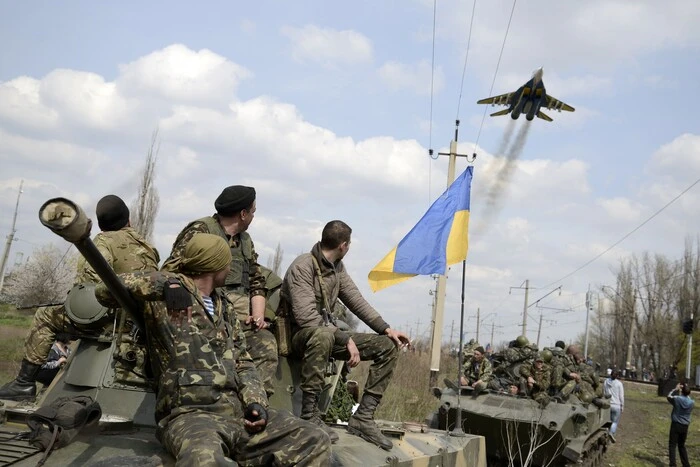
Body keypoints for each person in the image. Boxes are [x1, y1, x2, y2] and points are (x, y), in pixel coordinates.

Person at [96, 233, 331, 466]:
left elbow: (243, 361)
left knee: (314, 439)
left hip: (236, 413)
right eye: (226, 262)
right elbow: (103, 291)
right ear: (215, 266)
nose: (230, 268)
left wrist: (255, 403)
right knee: (203, 459)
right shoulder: (161, 298)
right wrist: (166, 283)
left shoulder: (224, 306)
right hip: (190, 416)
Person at [0, 195, 159, 400]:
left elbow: (89, 289)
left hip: (114, 323)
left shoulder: (104, 240)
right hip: (141, 322)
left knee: (45, 315)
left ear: (101, 225)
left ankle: (23, 383)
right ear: (129, 221)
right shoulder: (147, 247)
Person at [281, 220, 411, 450]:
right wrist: (345, 338)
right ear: (344, 245)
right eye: (349, 244)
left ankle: (363, 418)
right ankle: (309, 415)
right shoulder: (303, 266)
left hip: (328, 336)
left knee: (387, 346)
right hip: (299, 338)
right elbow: (306, 318)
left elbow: (356, 300)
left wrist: (385, 328)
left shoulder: (337, 268)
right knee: (322, 336)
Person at [162, 185, 278, 396]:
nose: (253, 217)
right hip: (201, 312)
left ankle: (255, 403)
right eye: (252, 212)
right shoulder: (200, 231)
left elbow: (256, 280)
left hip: (236, 318)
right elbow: (171, 271)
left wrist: (258, 317)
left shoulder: (245, 241)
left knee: (266, 344)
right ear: (243, 214)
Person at [667, 382, 694, 467]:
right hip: (685, 426)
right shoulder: (691, 402)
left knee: (672, 445)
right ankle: (686, 464)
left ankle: (673, 464)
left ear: (682, 391)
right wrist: (684, 390)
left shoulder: (677, 399)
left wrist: (675, 389)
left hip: (676, 424)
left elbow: (668, 397)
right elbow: (687, 397)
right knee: (682, 445)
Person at [603, 369, 624, 442]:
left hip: (608, 404)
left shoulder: (606, 381)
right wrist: (622, 406)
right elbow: (621, 396)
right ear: (617, 376)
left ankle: (605, 434)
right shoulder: (619, 384)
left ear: (610, 374)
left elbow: (604, 392)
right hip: (616, 405)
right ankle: (611, 433)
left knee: (606, 421)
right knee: (614, 422)